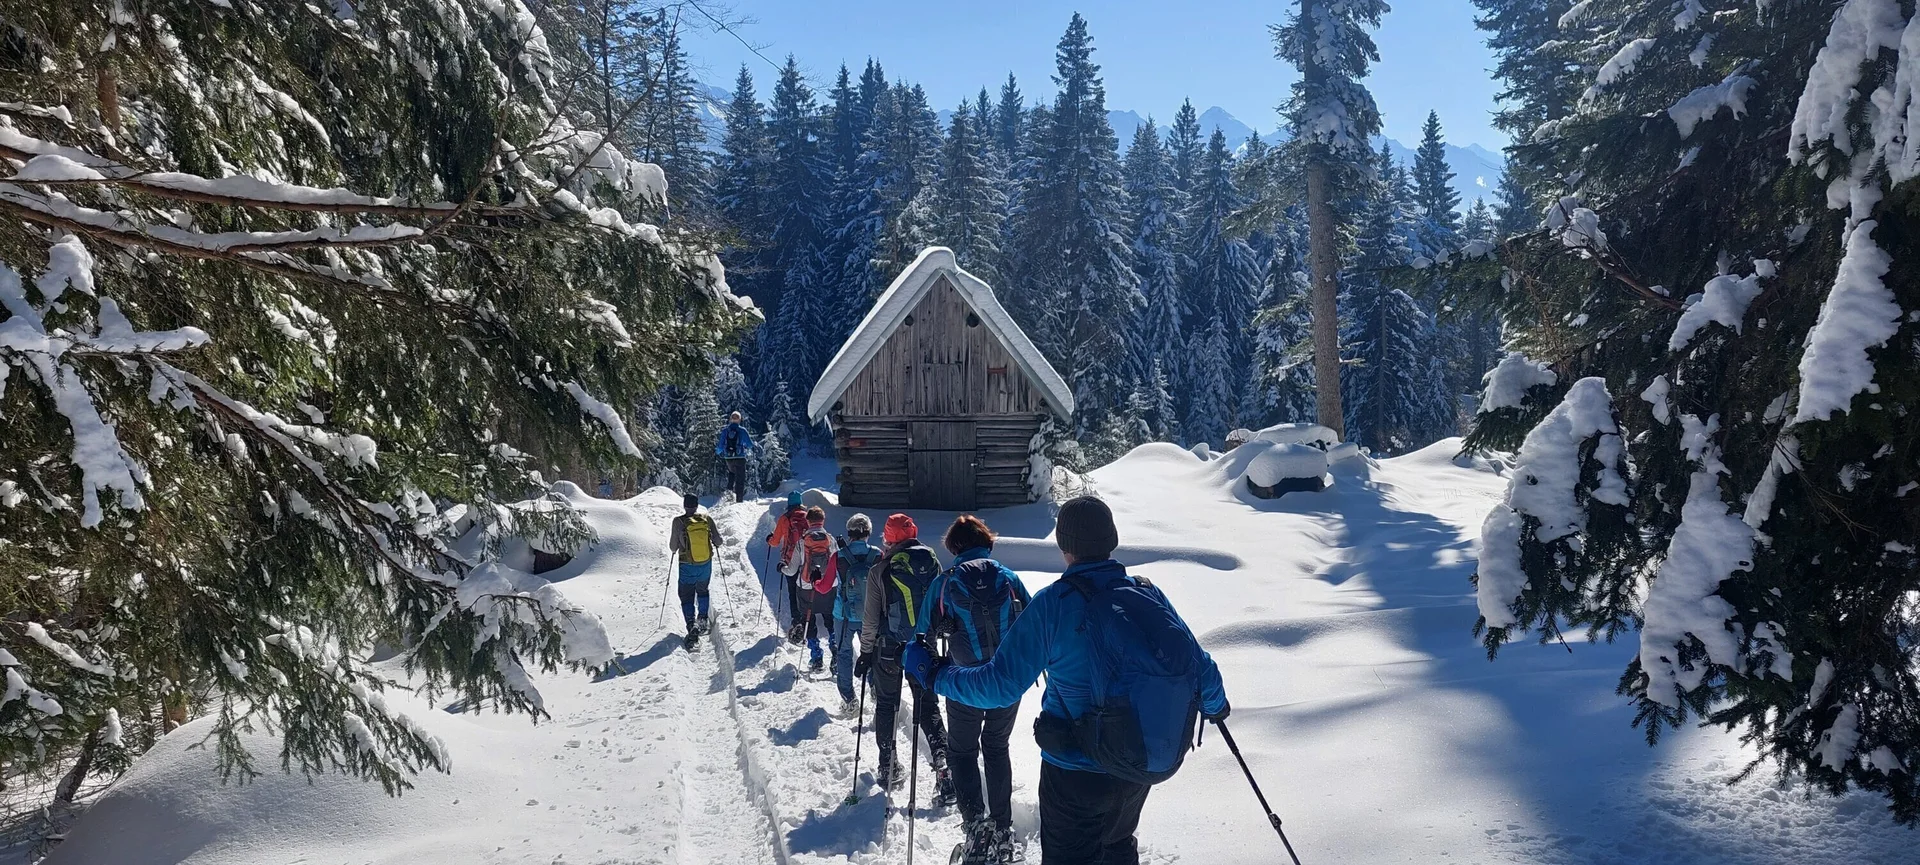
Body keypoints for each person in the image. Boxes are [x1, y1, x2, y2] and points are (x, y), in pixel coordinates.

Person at [903, 497, 1230, 865]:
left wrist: (934, 675)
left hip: (1075, 772)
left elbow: (999, 686)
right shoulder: (1147, 591)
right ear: (1111, 539)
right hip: (1136, 764)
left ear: (1064, 546)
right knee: (1117, 846)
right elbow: (1202, 667)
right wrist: (1217, 708)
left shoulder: (1054, 604)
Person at [924, 515, 1031, 865]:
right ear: (986, 541)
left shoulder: (945, 582)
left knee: (962, 752)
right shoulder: (1009, 578)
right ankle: (1002, 830)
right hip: (1005, 681)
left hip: (963, 683)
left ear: (954, 546)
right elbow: (1031, 622)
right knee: (997, 748)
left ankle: (976, 829)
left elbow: (921, 634)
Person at [855, 514, 951, 796]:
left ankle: (888, 765)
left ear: (890, 539)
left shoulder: (881, 569)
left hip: (888, 649)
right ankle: (943, 766)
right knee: (928, 705)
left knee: (886, 705)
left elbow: (870, 618)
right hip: (925, 646)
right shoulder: (933, 562)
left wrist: (865, 652)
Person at [825, 513, 881, 712]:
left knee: (844, 653)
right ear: (868, 532)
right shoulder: (877, 555)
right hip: (872, 614)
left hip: (844, 614)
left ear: (849, 533)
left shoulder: (838, 556)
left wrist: (815, 579)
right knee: (873, 652)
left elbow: (824, 587)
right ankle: (876, 688)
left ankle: (849, 700)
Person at [668, 493, 728, 649]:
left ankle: (691, 623)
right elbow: (718, 541)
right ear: (696, 505)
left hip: (686, 565)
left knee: (687, 596)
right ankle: (702, 619)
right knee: (702, 590)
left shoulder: (678, 521)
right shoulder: (706, 519)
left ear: (684, 505)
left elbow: (673, 547)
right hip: (705, 564)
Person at [795, 507, 838, 664]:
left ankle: (816, 656)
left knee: (809, 619)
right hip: (828, 585)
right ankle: (835, 649)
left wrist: (783, 568)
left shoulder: (802, 541)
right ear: (823, 521)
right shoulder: (830, 539)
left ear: (808, 521)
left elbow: (793, 567)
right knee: (830, 618)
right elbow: (837, 561)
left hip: (807, 586)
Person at [765, 491, 807, 633]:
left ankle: (797, 621)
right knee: (805, 590)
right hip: (807, 560)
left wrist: (769, 540)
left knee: (792, 591)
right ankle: (808, 621)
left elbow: (775, 542)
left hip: (790, 560)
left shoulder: (785, 518)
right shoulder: (808, 516)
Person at [714, 411, 755, 503]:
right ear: (740, 420)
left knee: (731, 474)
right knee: (740, 479)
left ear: (730, 419)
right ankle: (739, 500)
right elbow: (749, 445)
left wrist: (717, 453)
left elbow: (720, 446)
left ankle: (728, 496)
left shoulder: (725, 431)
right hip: (740, 457)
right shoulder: (742, 430)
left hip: (728, 458)